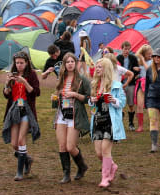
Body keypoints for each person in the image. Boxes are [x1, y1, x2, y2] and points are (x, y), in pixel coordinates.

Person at [2, 51, 40, 181]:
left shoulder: (32, 75)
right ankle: (27, 160)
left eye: (21, 63)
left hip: (27, 110)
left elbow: (35, 92)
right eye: (17, 63)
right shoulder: (13, 75)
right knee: (14, 144)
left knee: (21, 140)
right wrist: (7, 84)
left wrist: (24, 82)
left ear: (27, 63)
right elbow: (6, 94)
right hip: (14, 110)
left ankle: (19, 172)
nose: (19, 65)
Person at [53, 53, 91, 183]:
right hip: (62, 115)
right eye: (67, 62)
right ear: (64, 64)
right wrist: (55, 97)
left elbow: (89, 98)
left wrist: (75, 94)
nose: (70, 64)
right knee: (62, 146)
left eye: (72, 61)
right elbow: (57, 94)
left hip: (75, 115)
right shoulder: (61, 78)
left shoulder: (82, 79)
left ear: (76, 63)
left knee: (70, 147)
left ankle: (82, 166)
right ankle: (66, 174)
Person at [88, 58, 126, 187]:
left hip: (110, 121)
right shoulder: (94, 84)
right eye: (97, 67)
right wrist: (91, 100)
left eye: (100, 67)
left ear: (107, 69)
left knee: (105, 150)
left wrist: (113, 100)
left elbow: (122, 102)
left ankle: (105, 178)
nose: (97, 69)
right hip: (97, 120)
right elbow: (91, 103)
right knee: (99, 153)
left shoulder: (116, 85)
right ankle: (112, 166)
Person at [116, 42, 139, 131]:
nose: (126, 51)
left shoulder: (133, 58)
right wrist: (125, 75)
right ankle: (119, 121)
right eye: (125, 49)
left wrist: (134, 70)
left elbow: (137, 71)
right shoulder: (118, 58)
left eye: (128, 49)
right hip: (120, 83)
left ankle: (131, 123)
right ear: (121, 49)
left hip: (130, 83)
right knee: (119, 103)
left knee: (130, 103)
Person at [134, 44, 153, 132]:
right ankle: (140, 126)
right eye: (148, 54)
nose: (150, 55)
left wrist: (142, 59)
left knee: (151, 105)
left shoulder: (152, 61)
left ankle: (153, 124)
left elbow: (148, 70)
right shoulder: (138, 62)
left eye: (151, 53)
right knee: (139, 105)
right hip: (141, 84)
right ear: (143, 54)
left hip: (150, 85)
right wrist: (136, 74)